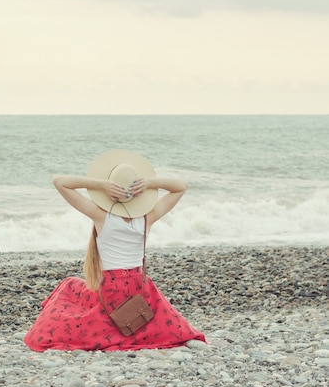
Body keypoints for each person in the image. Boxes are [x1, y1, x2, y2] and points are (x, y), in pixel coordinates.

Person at [24, 150, 206, 351]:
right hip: (141, 288)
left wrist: (101, 185)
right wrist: (149, 183)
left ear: (110, 193)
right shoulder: (147, 218)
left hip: (111, 289)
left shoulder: (101, 216)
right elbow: (182, 186)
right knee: (167, 328)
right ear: (139, 194)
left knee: (69, 286)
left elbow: (59, 181)